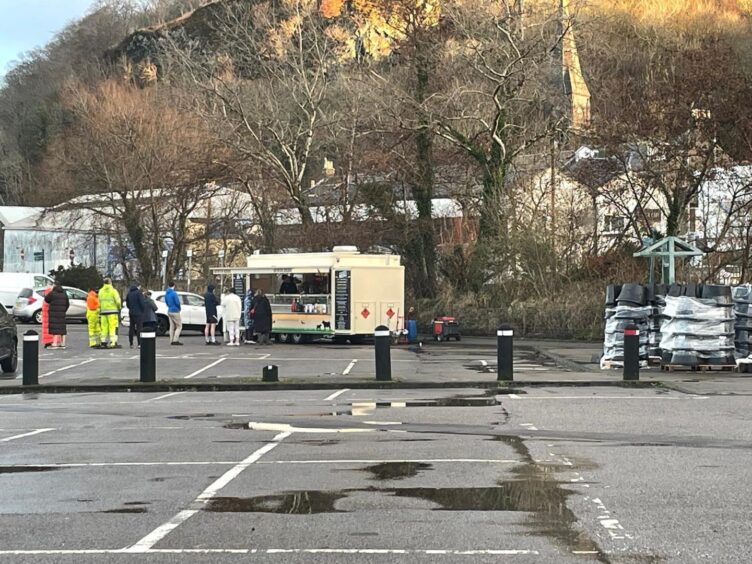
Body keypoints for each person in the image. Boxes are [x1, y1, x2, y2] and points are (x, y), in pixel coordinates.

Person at [98, 277, 122, 349]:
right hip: (112, 312)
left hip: (103, 312)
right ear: (110, 282)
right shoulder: (113, 291)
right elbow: (118, 301)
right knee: (113, 327)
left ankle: (103, 342)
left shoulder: (101, 291)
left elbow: (99, 302)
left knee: (104, 328)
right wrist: (119, 307)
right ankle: (113, 342)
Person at [44, 284, 69, 349]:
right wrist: (63, 310)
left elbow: (46, 299)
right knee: (62, 329)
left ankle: (54, 344)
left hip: (54, 313)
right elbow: (67, 304)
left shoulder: (52, 293)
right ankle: (63, 344)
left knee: (55, 329)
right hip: (62, 313)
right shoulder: (64, 294)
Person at [125, 284, 147, 349]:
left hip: (131, 312)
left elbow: (127, 304)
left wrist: (131, 309)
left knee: (131, 328)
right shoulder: (139, 293)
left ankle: (131, 343)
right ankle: (139, 343)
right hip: (139, 313)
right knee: (139, 328)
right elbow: (142, 303)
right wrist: (143, 310)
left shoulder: (129, 294)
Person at [165, 281, 183, 346]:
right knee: (179, 326)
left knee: (171, 326)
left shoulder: (166, 293)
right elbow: (177, 302)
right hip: (175, 310)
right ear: (174, 286)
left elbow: (166, 302)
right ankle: (175, 340)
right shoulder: (174, 293)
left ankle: (171, 340)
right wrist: (179, 308)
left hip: (169, 310)